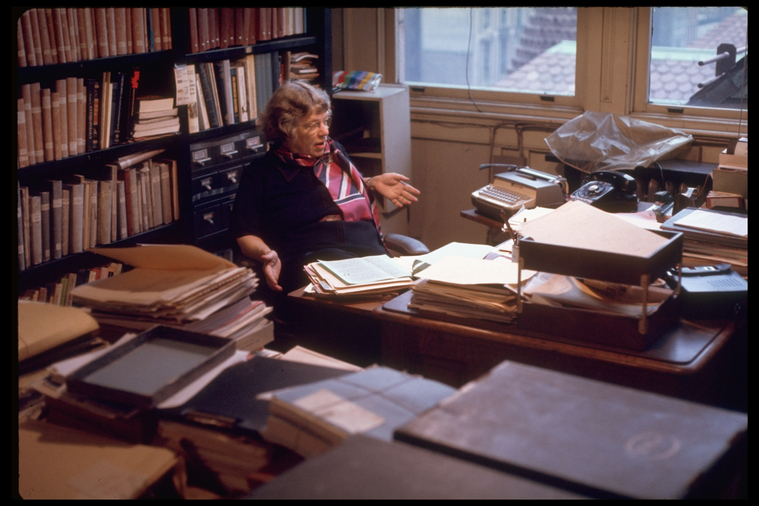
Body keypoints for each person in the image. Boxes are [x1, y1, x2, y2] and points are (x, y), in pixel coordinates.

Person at [230, 81, 420, 312]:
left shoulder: (335, 153)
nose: (325, 131)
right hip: (312, 258)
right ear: (286, 129)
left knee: (416, 299)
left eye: (325, 121)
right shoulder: (261, 173)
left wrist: (369, 182)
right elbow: (245, 233)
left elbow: (335, 195)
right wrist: (265, 254)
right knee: (369, 314)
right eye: (313, 125)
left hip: (366, 249)